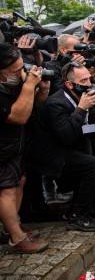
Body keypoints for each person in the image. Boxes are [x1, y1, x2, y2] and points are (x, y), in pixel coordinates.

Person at [28, 62, 95, 232]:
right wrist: (81, 109)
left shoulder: (81, 97)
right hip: (53, 154)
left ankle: (77, 208)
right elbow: (65, 136)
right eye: (84, 81)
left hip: (73, 146)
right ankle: (79, 216)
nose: (89, 84)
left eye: (89, 79)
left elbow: (91, 131)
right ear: (69, 84)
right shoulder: (56, 103)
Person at [0, 43, 49, 253]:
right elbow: (18, 116)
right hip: (2, 150)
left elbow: (32, 105)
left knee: (19, 182)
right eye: (14, 71)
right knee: (7, 189)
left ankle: (11, 226)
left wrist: (42, 88)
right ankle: (16, 238)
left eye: (22, 67)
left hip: (16, 146)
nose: (20, 73)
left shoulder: (12, 83)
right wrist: (29, 85)